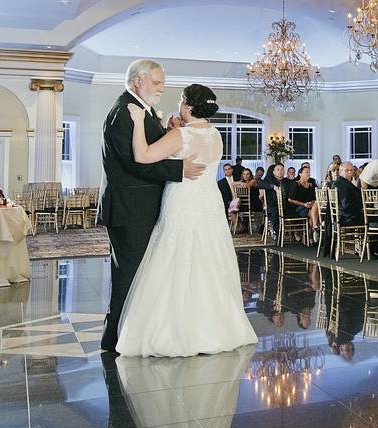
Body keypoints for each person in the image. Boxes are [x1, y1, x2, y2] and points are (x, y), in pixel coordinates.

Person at [115, 83, 257, 356]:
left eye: (181, 100)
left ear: (188, 106)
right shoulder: (216, 134)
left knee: (176, 256)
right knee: (208, 259)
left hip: (183, 199)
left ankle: (177, 330)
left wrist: (136, 123)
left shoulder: (182, 134)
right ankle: (214, 326)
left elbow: (142, 155)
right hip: (209, 202)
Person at [97, 59, 205, 352]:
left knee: (138, 274)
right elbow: (136, 162)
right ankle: (115, 339)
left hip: (137, 207)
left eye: (162, 82)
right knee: (128, 275)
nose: (161, 88)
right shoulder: (124, 112)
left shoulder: (138, 110)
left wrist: (167, 128)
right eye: (156, 83)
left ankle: (128, 334)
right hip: (130, 208)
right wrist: (178, 170)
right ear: (137, 83)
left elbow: (150, 148)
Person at [287, 165, 319, 237]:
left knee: (313, 211)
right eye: (306, 172)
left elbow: (315, 198)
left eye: (309, 172)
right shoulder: (296, 184)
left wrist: (312, 202)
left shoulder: (311, 184)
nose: (309, 174)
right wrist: (304, 204)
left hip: (311, 206)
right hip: (299, 207)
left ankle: (314, 231)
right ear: (300, 174)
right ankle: (315, 229)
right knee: (316, 214)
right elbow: (290, 199)